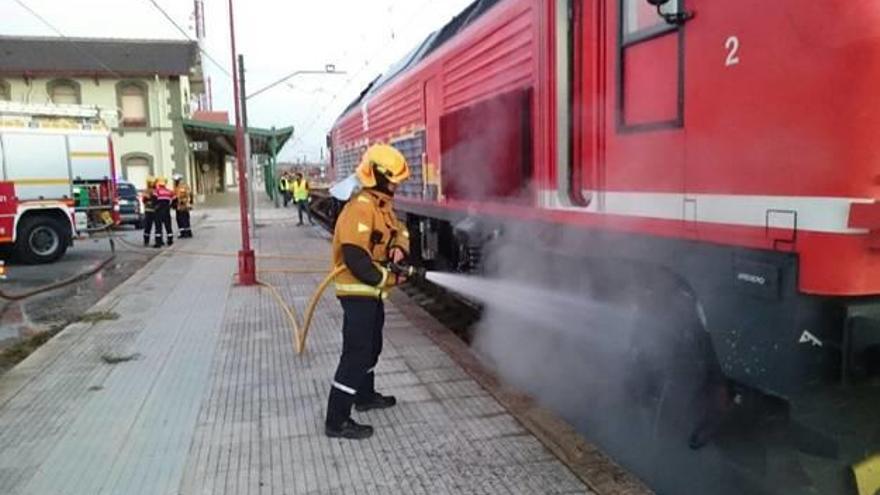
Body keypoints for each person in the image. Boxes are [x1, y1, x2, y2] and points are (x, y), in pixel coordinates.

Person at [325, 144, 412, 440]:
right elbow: (355, 256)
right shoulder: (361, 206)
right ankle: (336, 421)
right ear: (377, 175)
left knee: (372, 347)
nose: (396, 185)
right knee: (356, 354)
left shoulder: (381, 205)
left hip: (371, 293)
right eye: (393, 180)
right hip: (357, 292)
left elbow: (399, 229)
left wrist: (400, 247)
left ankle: (364, 397)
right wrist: (388, 278)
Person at [152, 177, 174, 247]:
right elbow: (173, 200)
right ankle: (170, 240)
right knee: (168, 226)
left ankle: (158, 242)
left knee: (158, 227)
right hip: (167, 211)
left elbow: (154, 200)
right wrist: (170, 206)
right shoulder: (169, 191)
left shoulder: (156, 191)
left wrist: (154, 207)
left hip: (158, 211)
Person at [172, 173, 194, 238]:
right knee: (185, 219)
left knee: (182, 219)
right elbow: (190, 194)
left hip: (181, 206)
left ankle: (184, 233)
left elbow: (178, 197)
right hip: (182, 206)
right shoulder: (184, 186)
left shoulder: (179, 187)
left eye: (175, 181)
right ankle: (187, 232)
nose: (175, 182)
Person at [142, 176, 157, 246]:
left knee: (157, 226)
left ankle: (158, 240)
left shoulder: (156, 190)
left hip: (155, 210)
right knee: (148, 227)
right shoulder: (146, 191)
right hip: (149, 211)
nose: (153, 184)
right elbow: (144, 200)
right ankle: (146, 240)